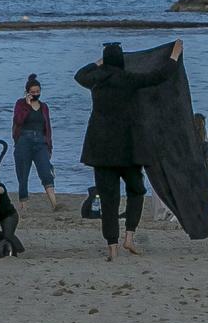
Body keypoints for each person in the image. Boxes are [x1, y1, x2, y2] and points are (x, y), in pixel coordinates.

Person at [75, 40, 183, 262]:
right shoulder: (130, 79)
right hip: (128, 149)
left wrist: (100, 61)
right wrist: (174, 55)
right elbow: (159, 76)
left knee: (108, 199)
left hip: (101, 150)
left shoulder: (95, 80)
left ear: (106, 61)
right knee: (136, 191)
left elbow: (80, 74)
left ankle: (112, 248)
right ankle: (129, 237)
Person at [9, 74, 57, 210]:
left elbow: (47, 127)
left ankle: (54, 203)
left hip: (40, 142)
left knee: (46, 171)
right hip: (24, 141)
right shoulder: (20, 104)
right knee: (23, 174)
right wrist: (28, 105)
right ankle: (24, 205)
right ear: (27, 92)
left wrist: (49, 146)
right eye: (33, 92)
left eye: (38, 92)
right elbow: (18, 121)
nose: (36, 94)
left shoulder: (44, 107)